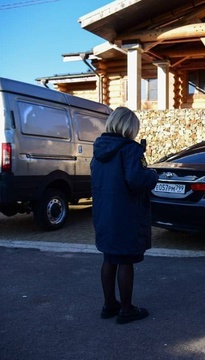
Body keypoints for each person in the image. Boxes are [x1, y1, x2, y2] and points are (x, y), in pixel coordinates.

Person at [91, 107, 159, 324]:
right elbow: (137, 180)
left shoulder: (99, 150)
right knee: (125, 260)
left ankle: (109, 304)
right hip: (126, 214)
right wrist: (152, 175)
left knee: (109, 258)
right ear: (129, 127)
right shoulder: (130, 149)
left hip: (104, 214)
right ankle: (127, 309)